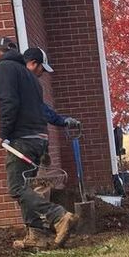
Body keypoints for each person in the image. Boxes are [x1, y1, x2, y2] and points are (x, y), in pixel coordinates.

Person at [0, 36, 77, 250]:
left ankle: (58, 216)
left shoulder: (6, 68)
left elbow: (8, 101)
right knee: (27, 187)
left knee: (17, 188)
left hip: (23, 140)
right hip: (38, 139)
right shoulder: (31, 79)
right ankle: (35, 235)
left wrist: (2, 134)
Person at [23, 46, 83, 178]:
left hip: (32, 142)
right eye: (42, 69)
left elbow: (40, 107)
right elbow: (40, 110)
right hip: (28, 143)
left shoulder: (26, 81)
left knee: (34, 182)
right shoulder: (25, 82)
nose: (41, 73)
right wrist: (61, 121)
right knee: (30, 183)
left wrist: (62, 120)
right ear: (33, 64)